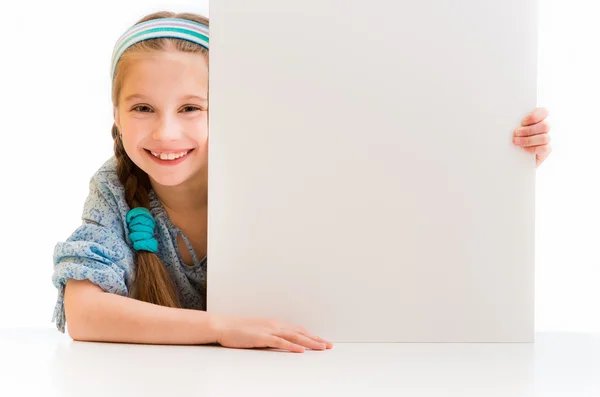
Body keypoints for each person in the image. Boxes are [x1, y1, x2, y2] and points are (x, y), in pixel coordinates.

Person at [51, 11, 552, 353]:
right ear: (115, 116)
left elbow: (399, 196)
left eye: (191, 108)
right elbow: (83, 312)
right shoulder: (116, 188)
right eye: (142, 108)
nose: (166, 132)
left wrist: (498, 165)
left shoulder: (276, 168)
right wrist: (221, 329)